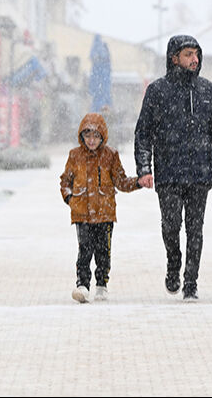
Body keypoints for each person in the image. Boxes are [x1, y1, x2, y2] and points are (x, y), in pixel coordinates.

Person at [134, 35, 212, 300]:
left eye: (197, 55)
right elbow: (143, 133)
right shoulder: (157, 91)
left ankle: (191, 282)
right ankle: (174, 263)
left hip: (199, 173)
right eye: (188, 54)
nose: (194, 60)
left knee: (195, 229)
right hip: (168, 173)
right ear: (174, 58)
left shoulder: (207, 90)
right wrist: (144, 168)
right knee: (171, 226)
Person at [59, 112, 148, 303]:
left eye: (96, 136)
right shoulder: (75, 156)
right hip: (81, 212)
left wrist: (138, 183)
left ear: (103, 137)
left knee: (103, 250)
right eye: (88, 136)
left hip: (105, 212)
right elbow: (65, 181)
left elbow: (121, 182)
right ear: (82, 136)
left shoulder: (110, 155)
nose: (91, 141)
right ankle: (82, 284)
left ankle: (101, 283)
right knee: (84, 249)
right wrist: (70, 199)